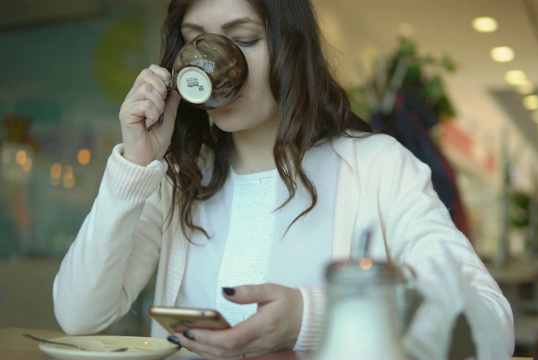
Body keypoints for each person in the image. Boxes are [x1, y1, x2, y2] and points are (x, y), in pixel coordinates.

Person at [52, 0, 514, 358]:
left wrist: (312, 317)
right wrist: (135, 164)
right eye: (197, 41)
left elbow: (484, 325)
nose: (214, 63)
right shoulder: (179, 177)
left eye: (245, 39)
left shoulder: (378, 167)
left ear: (292, 49)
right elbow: (78, 316)